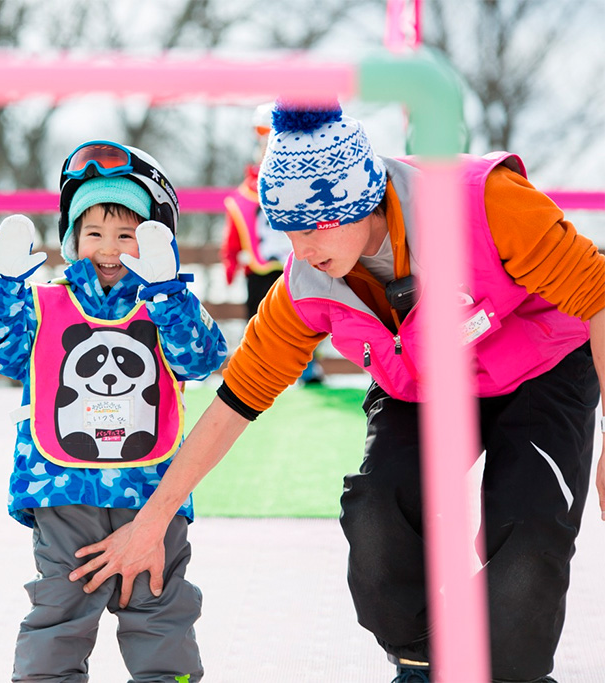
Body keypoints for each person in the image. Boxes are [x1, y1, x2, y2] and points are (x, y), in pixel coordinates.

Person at [67, 103, 605, 683]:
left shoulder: (483, 205)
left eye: (313, 226)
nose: (300, 251)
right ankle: (424, 661)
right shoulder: (307, 284)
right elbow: (236, 400)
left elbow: (599, 295)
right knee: (376, 521)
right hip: (424, 386)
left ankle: (509, 665)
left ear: (360, 201)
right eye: (287, 230)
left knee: (527, 538)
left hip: (542, 368)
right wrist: (151, 520)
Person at [0, 140, 227, 683]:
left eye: (126, 234)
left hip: (152, 492)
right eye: (95, 233)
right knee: (60, 614)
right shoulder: (46, 306)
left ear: (151, 239)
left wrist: (168, 291)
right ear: (73, 240)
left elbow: (202, 359)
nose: (109, 248)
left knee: (160, 610)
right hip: (61, 491)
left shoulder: (166, 305)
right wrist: (3, 285)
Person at [220, 104, 323, 383]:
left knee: (305, 315)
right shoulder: (246, 194)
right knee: (257, 318)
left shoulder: (304, 185)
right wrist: (230, 261)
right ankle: (253, 371)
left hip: (296, 261)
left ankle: (309, 369)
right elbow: (234, 231)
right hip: (260, 266)